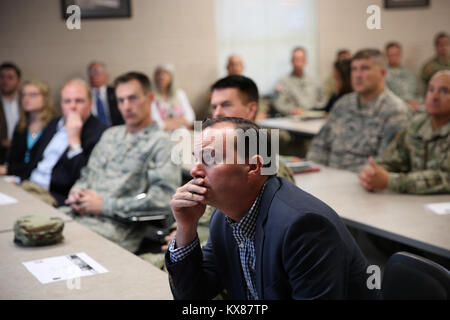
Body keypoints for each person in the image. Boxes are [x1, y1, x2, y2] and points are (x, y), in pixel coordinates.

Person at [165, 117, 378, 300]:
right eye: (196, 159)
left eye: (210, 158)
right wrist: (186, 227)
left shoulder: (303, 227)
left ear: (254, 167)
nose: (195, 170)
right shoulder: (223, 219)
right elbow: (193, 297)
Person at [143, 75, 294, 269]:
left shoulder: (268, 167)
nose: (218, 113)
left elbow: (250, 240)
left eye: (226, 105)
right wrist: (181, 231)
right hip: (195, 246)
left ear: (251, 109)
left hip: (220, 261)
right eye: (214, 107)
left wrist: (189, 240)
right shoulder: (212, 159)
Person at [64, 72, 181, 252]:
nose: (126, 106)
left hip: (112, 230)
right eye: (120, 100)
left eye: (132, 98)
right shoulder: (110, 134)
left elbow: (164, 200)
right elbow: (88, 174)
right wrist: (76, 192)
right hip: (75, 216)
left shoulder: (161, 143)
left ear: (149, 98)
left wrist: (104, 206)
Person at [307, 49, 409, 173]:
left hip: (363, 183)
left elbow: (386, 164)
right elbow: (319, 146)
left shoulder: (395, 111)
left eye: (365, 68)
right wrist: (317, 172)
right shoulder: (342, 104)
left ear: (382, 73)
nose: (357, 75)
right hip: (327, 178)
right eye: (354, 69)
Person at [359, 70, 450, 194]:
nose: (434, 97)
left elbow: (445, 178)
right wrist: (372, 173)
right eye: (431, 89)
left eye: (444, 91)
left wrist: (389, 181)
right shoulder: (417, 124)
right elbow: (393, 160)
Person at [19, 79, 106, 206]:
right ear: (61, 104)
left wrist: (74, 140)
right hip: (29, 185)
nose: (73, 106)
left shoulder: (99, 132)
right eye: (67, 101)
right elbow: (34, 159)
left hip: (53, 195)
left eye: (79, 101)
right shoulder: (54, 123)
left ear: (90, 103)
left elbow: (84, 178)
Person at [0, 80, 56, 177]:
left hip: (40, 180)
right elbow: (13, 159)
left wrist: (8, 170)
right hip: (16, 177)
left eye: (33, 95)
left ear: (45, 98)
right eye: (24, 95)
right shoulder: (21, 126)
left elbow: (42, 164)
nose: (26, 99)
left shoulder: (54, 126)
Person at [273, 47, 326, 116]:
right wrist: (291, 110)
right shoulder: (282, 83)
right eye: (295, 59)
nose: (298, 63)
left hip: (314, 118)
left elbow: (323, 101)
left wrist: (316, 109)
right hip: (292, 120)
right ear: (291, 61)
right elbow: (279, 104)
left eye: (300, 59)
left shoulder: (316, 81)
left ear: (305, 61)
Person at [151, 64, 195, 131]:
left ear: (172, 77)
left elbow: (191, 117)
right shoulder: (151, 97)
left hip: (182, 134)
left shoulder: (180, 94)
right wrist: (181, 120)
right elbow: (156, 123)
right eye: (159, 74)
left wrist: (167, 122)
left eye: (165, 73)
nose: (161, 77)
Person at [384, 42, 421, 109]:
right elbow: (386, 96)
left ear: (400, 54)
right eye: (391, 55)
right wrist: (405, 103)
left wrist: (417, 103)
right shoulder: (383, 74)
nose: (394, 57)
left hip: (416, 106)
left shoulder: (409, 73)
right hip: (396, 107)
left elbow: (418, 93)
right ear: (386, 56)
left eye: (396, 54)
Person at [87, 61, 124, 126]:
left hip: (115, 129)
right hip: (92, 131)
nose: (94, 76)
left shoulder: (116, 92)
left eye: (97, 72)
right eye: (91, 73)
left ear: (106, 75)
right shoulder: (85, 94)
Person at [0, 62, 22, 164]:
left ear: (18, 81)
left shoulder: (25, 103)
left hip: (21, 154)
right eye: (2, 77)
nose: (5, 81)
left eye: (10, 77)